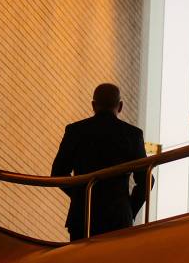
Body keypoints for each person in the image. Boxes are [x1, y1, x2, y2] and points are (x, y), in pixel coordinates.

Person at [51, 83, 150, 241]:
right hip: (118, 217)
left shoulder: (76, 131)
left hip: (83, 215)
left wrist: (81, 195)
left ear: (93, 105)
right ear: (120, 106)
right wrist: (129, 209)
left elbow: (58, 173)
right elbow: (146, 179)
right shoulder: (132, 135)